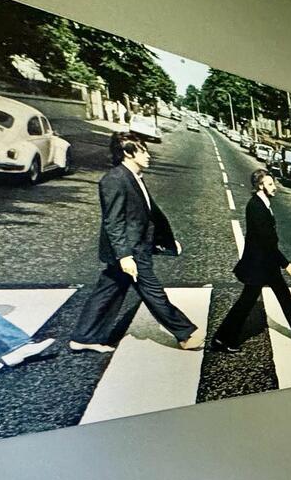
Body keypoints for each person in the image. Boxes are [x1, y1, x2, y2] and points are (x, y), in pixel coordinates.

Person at [69, 140, 203, 353]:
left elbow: (146, 216)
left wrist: (165, 242)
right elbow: (113, 222)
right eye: (142, 151)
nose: (148, 155)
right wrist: (124, 256)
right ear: (127, 153)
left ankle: (84, 336)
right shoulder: (114, 179)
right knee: (152, 292)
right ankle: (185, 333)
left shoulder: (132, 177)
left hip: (136, 245)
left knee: (107, 289)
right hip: (131, 250)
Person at [211, 169, 291, 350]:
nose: (274, 187)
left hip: (267, 264)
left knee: (285, 296)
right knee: (246, 302)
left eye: (273, 183)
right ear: (260, 186)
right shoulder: (256, 206)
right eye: (269, 184)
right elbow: (266, 242)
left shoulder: (263, 202)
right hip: (258, 265)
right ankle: (221, 339)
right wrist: (286, 263)